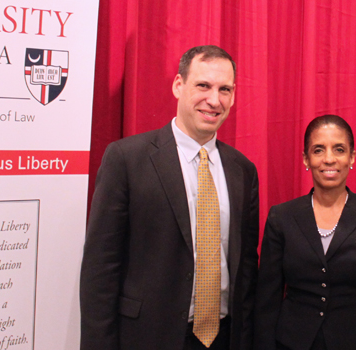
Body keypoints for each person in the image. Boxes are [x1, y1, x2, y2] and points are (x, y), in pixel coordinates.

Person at [80, 45, 259, 350]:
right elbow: (100, 269)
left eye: (224, 89)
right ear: (179, 85)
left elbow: (245, 268)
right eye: (203, 85)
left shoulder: (243, 170)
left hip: (224, 337)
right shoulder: (127, 159)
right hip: (149, 338)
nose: (214, 100)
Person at [254, 115, 356, 350]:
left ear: (352, 157)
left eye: (339, 149)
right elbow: (266, 302)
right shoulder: (281, 218)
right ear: (306, 159)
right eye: (318, 150)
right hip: (292, 343)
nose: (329, 159)